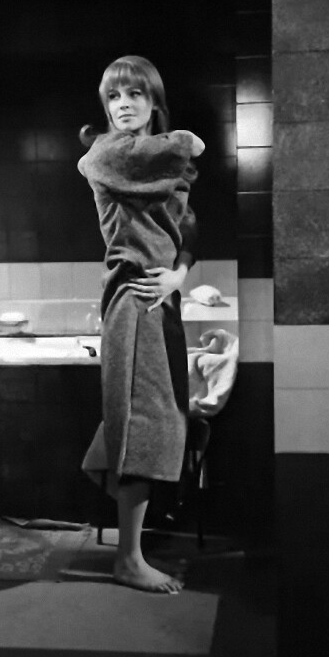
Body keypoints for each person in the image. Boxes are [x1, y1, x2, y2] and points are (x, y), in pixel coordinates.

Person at [78, 55, 204, 594]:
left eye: (134, 94)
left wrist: (178, 276)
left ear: (154, 102)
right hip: (131, 299)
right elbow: (164, 152)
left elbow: (188, 230)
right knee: (143, 423)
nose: (123, 104)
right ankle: (128, 558)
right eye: (113, 96)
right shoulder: (106, 154)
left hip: (159, 300)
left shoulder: (162, 166)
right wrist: (188, 140)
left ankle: (128, 533)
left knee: (158, 418)